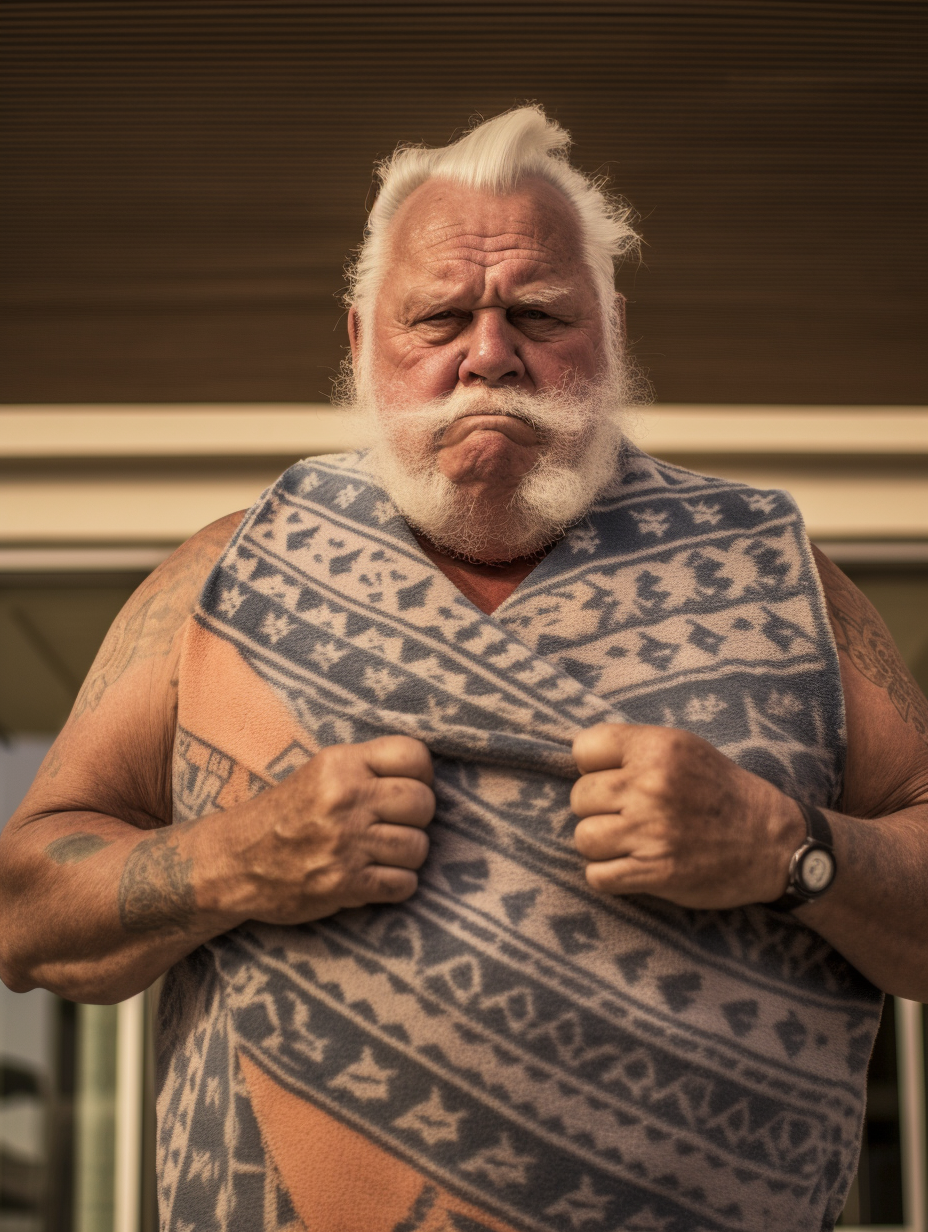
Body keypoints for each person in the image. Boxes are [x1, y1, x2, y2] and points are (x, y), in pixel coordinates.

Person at [1, 106, 926, 1232]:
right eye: (438, 315)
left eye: (538, 312)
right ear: (357, 341)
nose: (489, 353)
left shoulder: (781, 578)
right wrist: (233, 858)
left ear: (613, 329)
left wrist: (786, 844)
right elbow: (23, 911)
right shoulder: (218, 576)